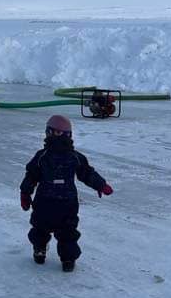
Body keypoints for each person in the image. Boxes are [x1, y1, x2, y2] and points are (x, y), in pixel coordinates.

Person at [19, 114, 113, 271]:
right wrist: (101, 185)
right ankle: (63, 258)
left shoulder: (46, 156)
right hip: (64, 201)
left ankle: (47, 252)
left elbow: (31, 176)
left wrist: (25, 193)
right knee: (61, 230)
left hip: (48, 201)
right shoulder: (69, 157)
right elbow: (86, 173)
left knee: (48, 228)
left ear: (49, 133)